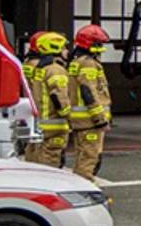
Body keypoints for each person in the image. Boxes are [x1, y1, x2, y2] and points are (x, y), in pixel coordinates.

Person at [66, 24, 114, 182]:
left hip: (82, 120)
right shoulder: (88, 63)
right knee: (89, 159)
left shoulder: (76, 61)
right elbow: (89, 92)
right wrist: (100, 119)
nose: (100, 47)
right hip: (89, 121)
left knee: (82, 156)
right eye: (98, 43)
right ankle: (84, 192)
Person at [23, 32, 73, 168]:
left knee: (33, 157)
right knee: (50, 160)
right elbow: (59, 97)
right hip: (54, 124)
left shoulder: (41, 68)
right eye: (64, 48)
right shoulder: (56, 70)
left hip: (39, 122)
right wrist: (70, 117)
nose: (67, 51)